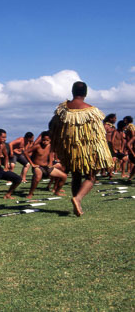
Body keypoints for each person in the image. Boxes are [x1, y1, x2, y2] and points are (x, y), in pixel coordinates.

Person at [49, 81, 114, 216]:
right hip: (87, 150)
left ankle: (75, 205)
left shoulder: (62, 110)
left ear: (72, 92)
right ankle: (77, 199)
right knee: (91, 177)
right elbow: (99, 134)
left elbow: (52, 125)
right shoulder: (92, 111)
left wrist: (58, 144)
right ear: (86, 93)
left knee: (76, 175)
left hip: (70, 149)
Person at [24, 131, 67, 199]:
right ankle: (30, 193)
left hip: (47, 167)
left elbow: (50, 154)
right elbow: (25, 152)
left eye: (47, 140)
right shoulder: (37, 146)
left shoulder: (50, 146)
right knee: (37, 177)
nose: (45, 142)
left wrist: (50, 163)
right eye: (43, 140)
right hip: (38, 167)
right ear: (41, 139)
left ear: (50, 140)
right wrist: (32, 164)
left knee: (64, 176)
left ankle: (57, 192)